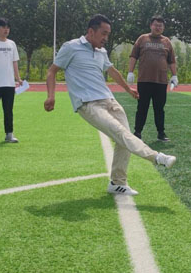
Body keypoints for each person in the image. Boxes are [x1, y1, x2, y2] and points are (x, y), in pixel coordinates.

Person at [44, 14, 176, 196]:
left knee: (124, 139)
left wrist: (128, 89)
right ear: (91, 31)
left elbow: (112, 71)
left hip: (109, 100)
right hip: (88, 104)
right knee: (120, 132)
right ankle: (157, 157)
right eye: (103, 33)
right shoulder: (71, 47)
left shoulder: (101, 52)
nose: (106, 38)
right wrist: (51, 96)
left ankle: (117, 183)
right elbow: (52, 72)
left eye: (108, 34)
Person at [126, 16, 178, 142]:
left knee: (159, 109)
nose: (158, 27)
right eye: (156, 25)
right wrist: (130, 72)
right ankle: (137, 132)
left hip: (161, 81)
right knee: (142, 107)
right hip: (144, 80)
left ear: (163, 28)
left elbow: (171, 61)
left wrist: (174, 75)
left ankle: (161, 133)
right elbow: (133, 56)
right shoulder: (142, 39)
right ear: (151, 26)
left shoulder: (166, 41)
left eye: (160, 26)